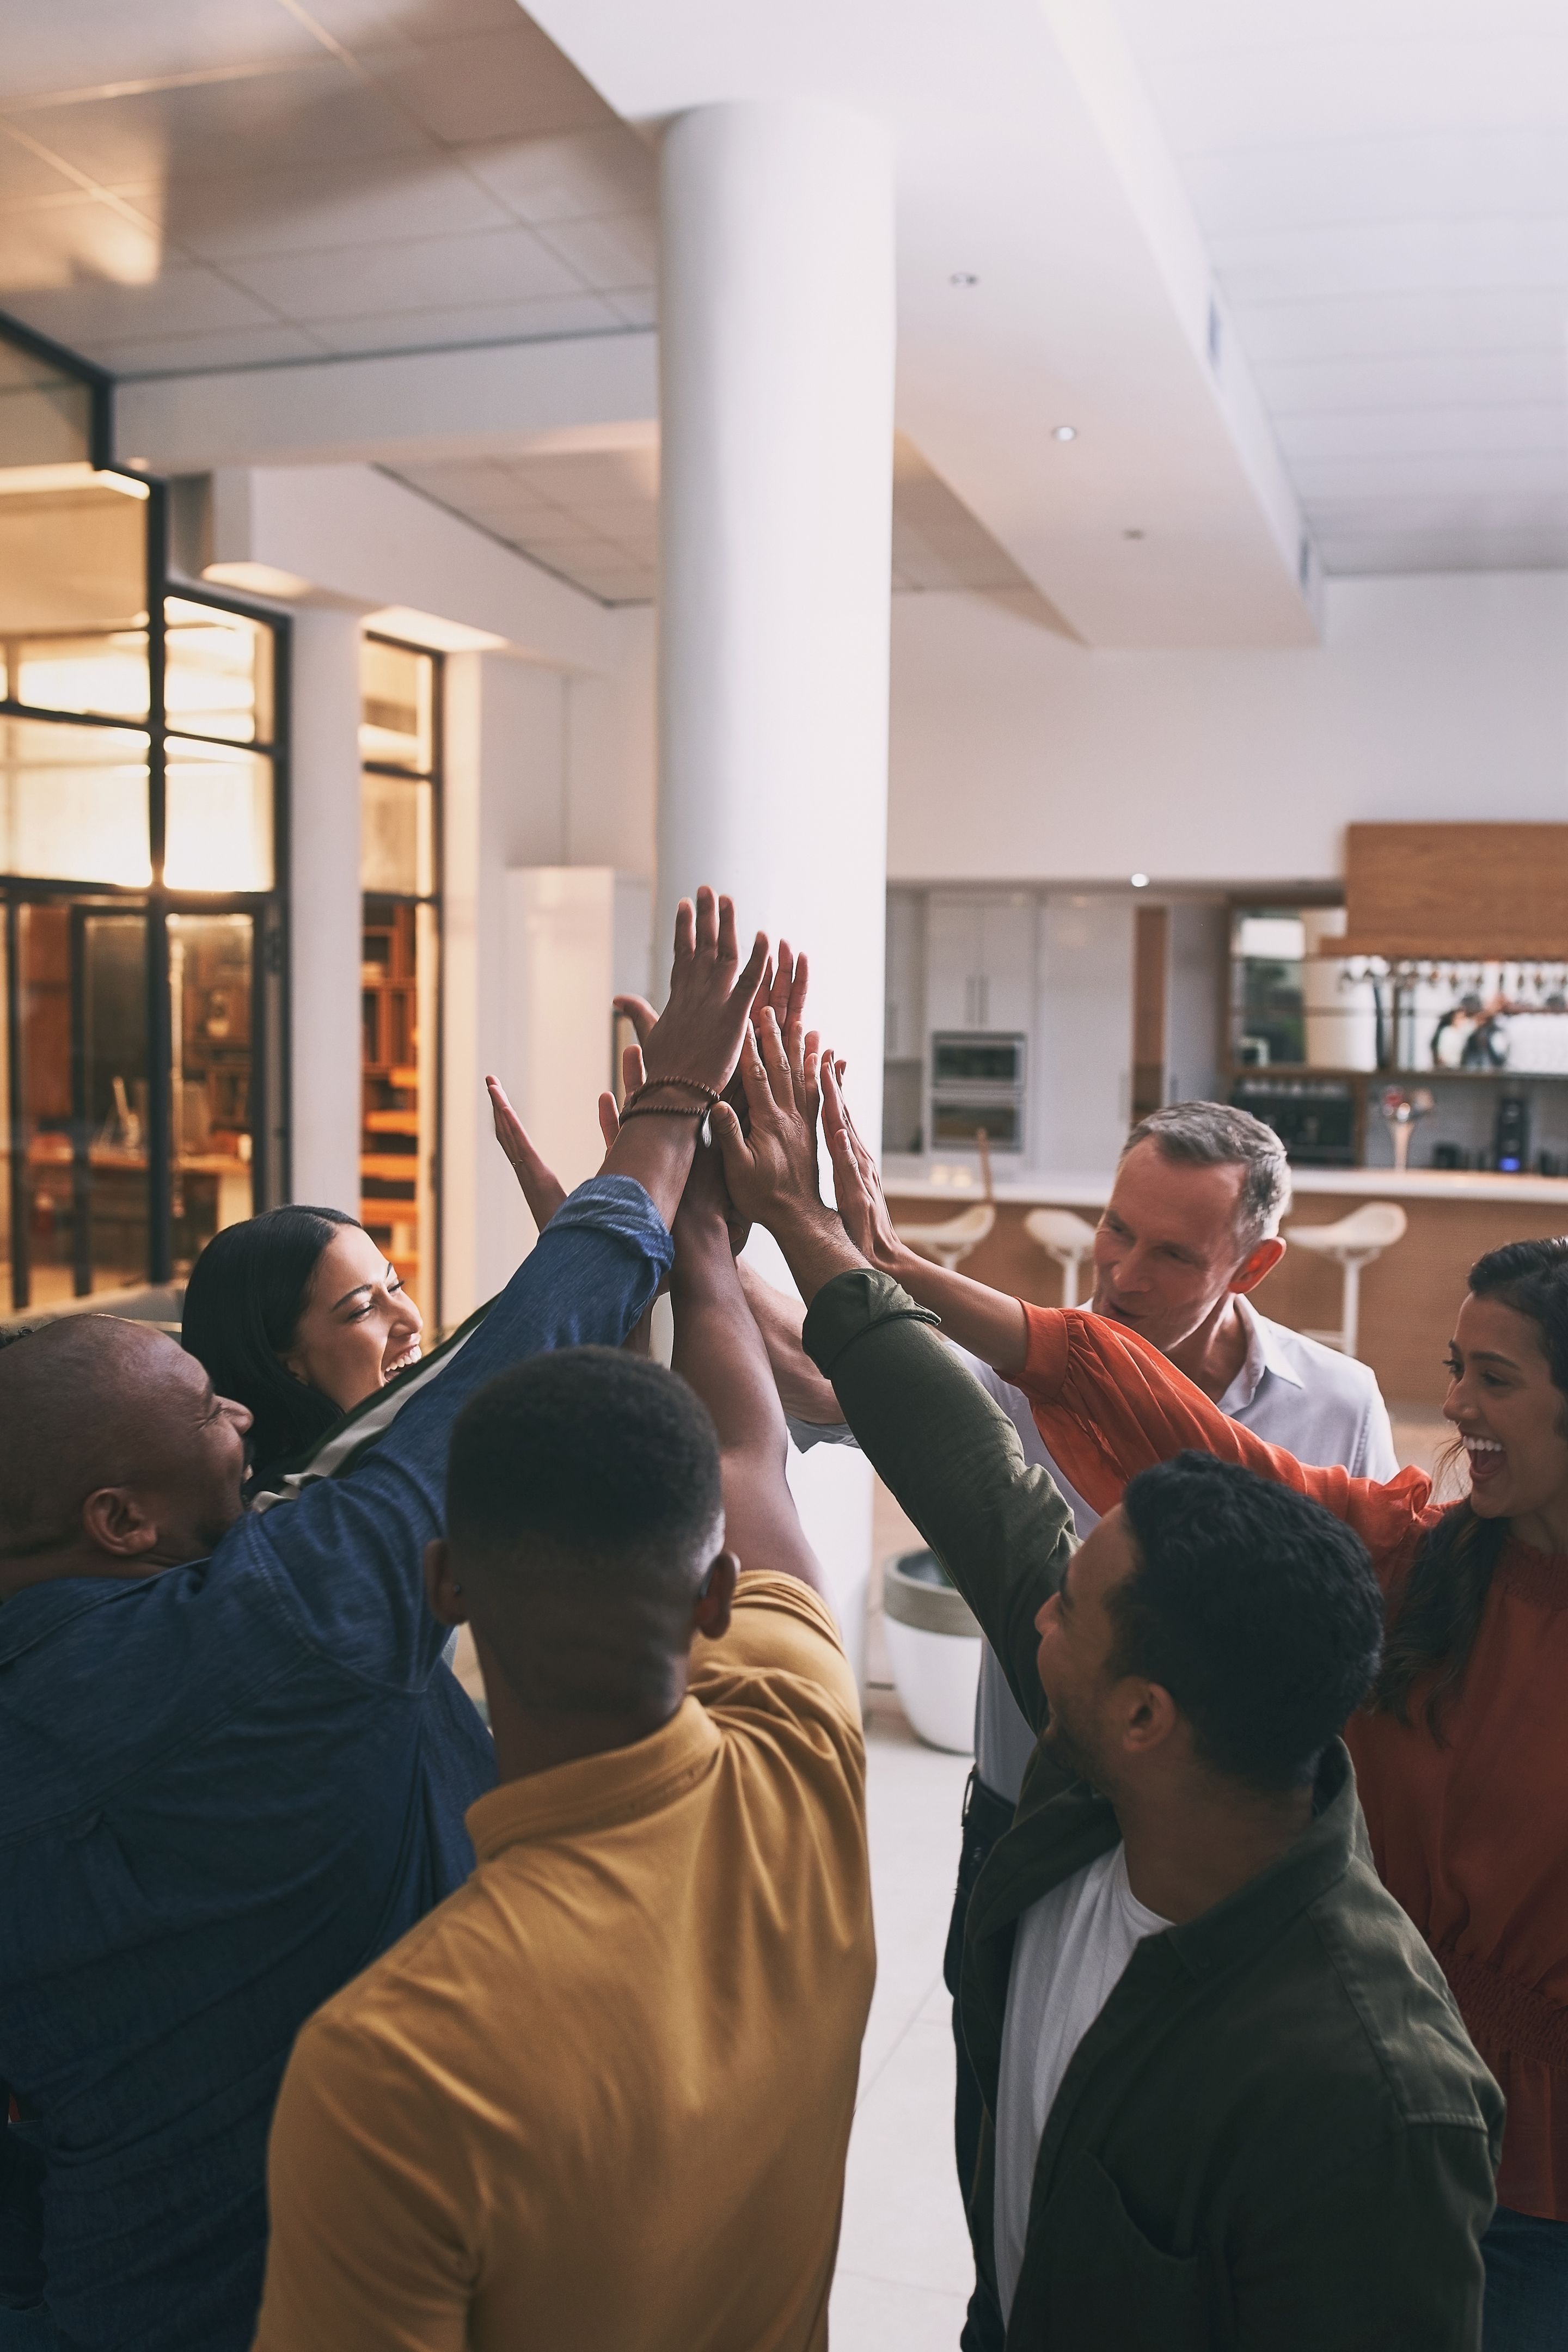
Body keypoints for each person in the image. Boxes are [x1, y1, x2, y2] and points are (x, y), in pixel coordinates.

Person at [0, 890, 767, 2352]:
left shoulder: (147, 1630)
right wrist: (666, 1124)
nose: (229, 1403)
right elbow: (457, 1420)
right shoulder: (251, 1643)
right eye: (204, 1401)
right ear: (118, 1522)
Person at [709, 1013, 1502, 2349]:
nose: (1119, 1272)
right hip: (1036, 1828)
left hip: (1218, 1881)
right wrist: (713, 1250)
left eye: (1168, 1251)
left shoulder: (1366, 2085)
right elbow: (910, 1424)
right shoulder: (1066, 1847)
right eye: (1113, 1233)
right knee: (1008, 2162)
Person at [253, 1138, 875, 2352]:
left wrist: (652, 1227)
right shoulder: (804, 1743)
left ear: (446, 1588)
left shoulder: (396, 2070)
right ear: (715, 1599)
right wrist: (700, 1240)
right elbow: (749, 1455)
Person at [910, 1223, 1568, 2352]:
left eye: (1493, 1378)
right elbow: (1180, 1430)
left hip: (1538, 2202)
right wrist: (885, 1269)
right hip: (1316, 2092)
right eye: (1457, 1368)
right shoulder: (1422, 1560)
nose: (1456, 1404)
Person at [181, 1206, 425, 1493]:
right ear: (287, 1367)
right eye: (364, 1309)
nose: (412, 1319)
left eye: (395, 1286)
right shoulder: (315, 1509)